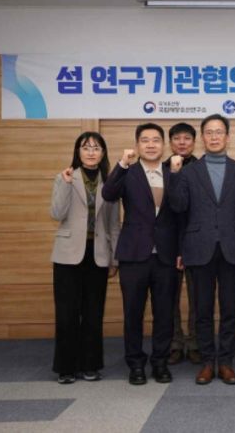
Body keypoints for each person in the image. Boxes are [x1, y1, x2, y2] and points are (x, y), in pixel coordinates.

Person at [169, 114, 235, 385]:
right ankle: (208, 362)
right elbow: (178, 209)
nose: (215, 136)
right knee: (202, 310)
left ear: (227, 137)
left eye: (219, 132)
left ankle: (226, 362)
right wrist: (174, 176)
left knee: (230, 309)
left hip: (233, 247)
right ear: (202, 138)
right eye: (209, 132)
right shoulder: (188, 172)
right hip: (198, 247)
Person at [102, 123, 181, 385]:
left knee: (165, 314)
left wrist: (181, 251)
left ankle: (160, 362)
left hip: (166, 256)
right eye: (145, 140)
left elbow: (182, 211)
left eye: (156, 140)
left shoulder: (172, 172)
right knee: (133, 313)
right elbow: (108, 193)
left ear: (163, 145)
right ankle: (135, 364)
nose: (150, 145)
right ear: (137, 145)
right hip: (134, 254)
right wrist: (122, 164)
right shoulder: (129, 172)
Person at [50, 131, 120, 384]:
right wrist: (66, 185)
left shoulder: (110, 182)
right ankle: (66, 368)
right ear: (77, 152)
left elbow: (114, 224)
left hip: (98, 254)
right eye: (86, 147)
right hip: (68, 255)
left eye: (96, 147)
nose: (91, 152)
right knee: (67, 314)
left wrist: (115, 258)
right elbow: (57, 213)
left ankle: (90, 365)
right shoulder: (65, 177)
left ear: (103, 153)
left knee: (93, 313)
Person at [166, 122, 201, 366]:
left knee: (198, 297)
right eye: (177, 138)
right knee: (169, 297)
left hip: (198, 241)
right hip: (168, 242)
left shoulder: (202, 168)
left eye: (187, 138)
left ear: (194, 142)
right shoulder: (162, 168)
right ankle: (175, 343)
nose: (182, 142)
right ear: (170, 143)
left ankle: (196, 343)